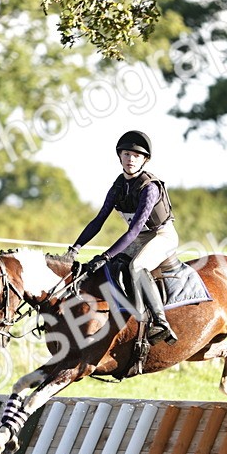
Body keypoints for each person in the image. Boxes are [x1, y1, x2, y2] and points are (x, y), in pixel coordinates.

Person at [66, 130, 179, 345]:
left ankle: (160, 322)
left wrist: (105, 255)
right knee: (111, 267)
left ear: (144, 160)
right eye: (126, 154)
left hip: (162, 235)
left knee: (136, 266)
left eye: (136, 156)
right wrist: (75, 248)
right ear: (120, 157)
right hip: (140, 236)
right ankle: (128, 311)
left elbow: (134, 230)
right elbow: (99, 220)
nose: (130, 159)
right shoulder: (118, 186)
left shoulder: (150, 188)